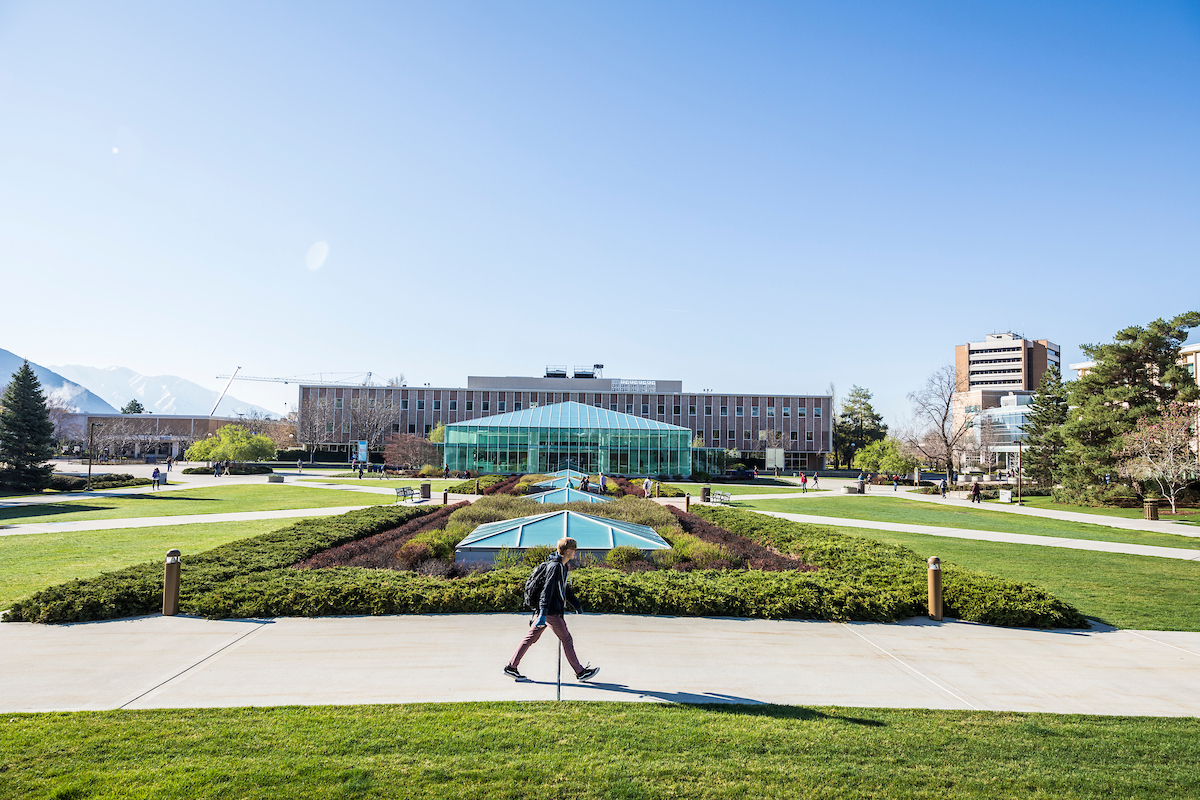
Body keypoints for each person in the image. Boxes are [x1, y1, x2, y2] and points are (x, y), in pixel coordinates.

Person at [505, 537, 599, 682]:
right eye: (574, 550)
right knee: (566, 639)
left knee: (530, 638)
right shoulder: (555, 567)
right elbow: (547, 591)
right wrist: (543, 613)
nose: (575, 553)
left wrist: (576, 604)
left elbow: (564, 589)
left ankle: (511, 667)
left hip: (547, 611)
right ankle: (580, 672)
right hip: (550, 611)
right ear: (567, 551)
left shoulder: (562, 566)